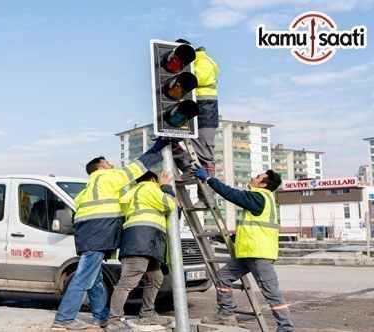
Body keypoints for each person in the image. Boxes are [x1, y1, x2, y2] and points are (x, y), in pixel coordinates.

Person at [52, 138, 169, 330]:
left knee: (95, 279)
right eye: (107, 163)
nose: (112, 165)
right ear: (99, 169)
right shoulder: (106, 178)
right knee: (83, 277)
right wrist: (156, 148)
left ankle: (101, 317)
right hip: (98, 234)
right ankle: (64, 318)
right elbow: (136, 168)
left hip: (89, 235)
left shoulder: (87, 189)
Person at [193, 167, 295, 331]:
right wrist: (228, 238)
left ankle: (286, 328)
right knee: (222, 277)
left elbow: (231, 194)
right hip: (249, 253)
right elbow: (254, 229)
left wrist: (209, 179)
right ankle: (225, 314)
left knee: (272, 293)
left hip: (258, 254)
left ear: (262, 185)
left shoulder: (259, 197)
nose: (252, 178)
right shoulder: (262, 199)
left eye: (257, 177)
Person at [105, 170, 176, 332]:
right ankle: (114, 319)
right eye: (159, 180)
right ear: (153, 179)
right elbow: (169, 204)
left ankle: (147, 314)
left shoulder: (133, 192)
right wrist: (166, 187)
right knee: (128, 281)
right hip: (141, 240)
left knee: (155, 277)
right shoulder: (148, 188)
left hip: (144, 241)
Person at [174, 39, 220, 209]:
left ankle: (206, 197)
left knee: (204, 154)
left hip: (205, 113)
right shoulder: (185, 65)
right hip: (186, 110)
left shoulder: (203, 61)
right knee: (167, 140)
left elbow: (197, 78)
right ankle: (188, 169)